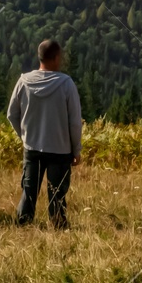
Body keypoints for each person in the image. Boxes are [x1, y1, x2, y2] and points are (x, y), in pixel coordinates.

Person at [8, 38, 83, 228]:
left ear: (39, 57)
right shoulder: (66, 84)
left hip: (32, 147)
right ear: (56, 58)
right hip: (60, 149)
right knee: (57, 195)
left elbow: (11, 114)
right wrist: (76, 150)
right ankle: (58, 227)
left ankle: (23, 226)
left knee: (29, 192)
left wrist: (24, 136)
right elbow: (75, 122)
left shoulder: (24, 81)